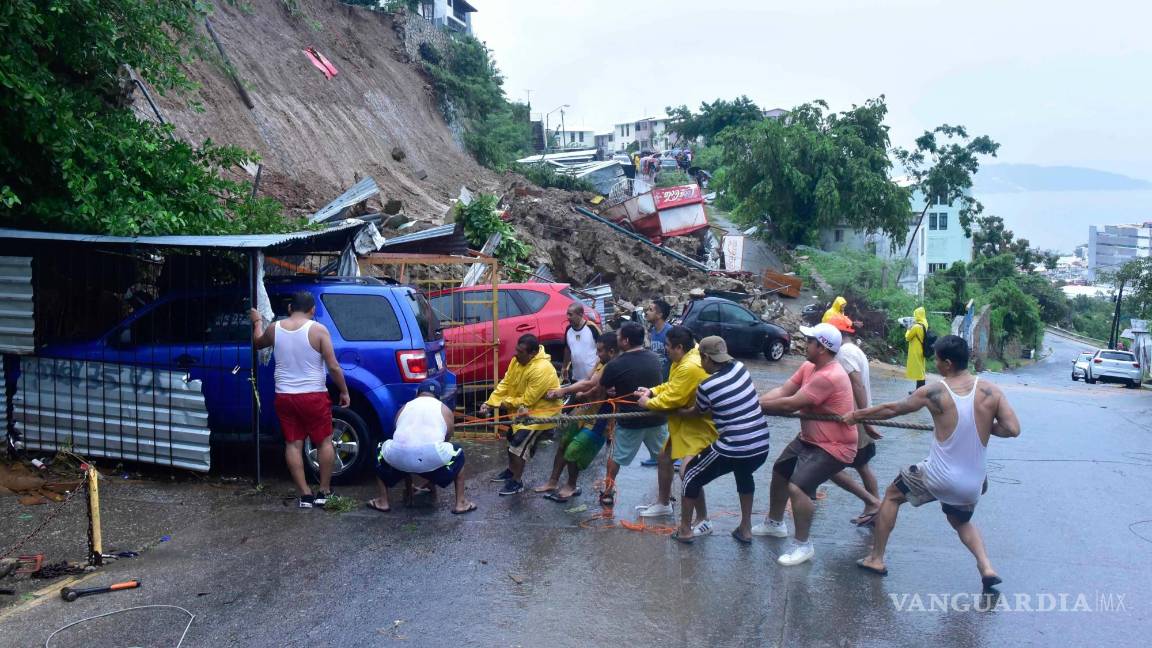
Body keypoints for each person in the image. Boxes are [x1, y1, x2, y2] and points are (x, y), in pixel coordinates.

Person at [845, 335, 1020, 591]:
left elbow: (893, 409)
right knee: (960, 521)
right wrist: (985, 426)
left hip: (939, 476)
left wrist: (856, 415)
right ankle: (986, 567)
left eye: (936, 359)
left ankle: (876, 558)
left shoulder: (935, 391)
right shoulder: (991, 391)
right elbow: (1012, 429)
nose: (935, 363)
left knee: (893, 496)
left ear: (947, 363)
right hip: (972, 483)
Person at [754, 323, 857, 566]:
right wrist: (755, 401)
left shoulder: (830, 376)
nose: (805, 343)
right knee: (781, 471)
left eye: (809, 340)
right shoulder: (809, 366)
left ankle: (803, 544)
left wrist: (752, 406)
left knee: (798, 488)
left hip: (835, 445)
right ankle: (775, 523)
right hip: (810, 438)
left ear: (821, 348)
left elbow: (791, 404)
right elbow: (783, 390)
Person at [250, 292, 350, 509]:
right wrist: (344, 391)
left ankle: (305, 495)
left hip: (285, 396)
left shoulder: (274, 328)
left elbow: (257, 343)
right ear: (312, 310)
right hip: (313, 395)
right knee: (324, 441)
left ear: (289, 309)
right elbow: (333, 366)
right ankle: (323, 492)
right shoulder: (318, 330)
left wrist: (257, 321)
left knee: (293, 444)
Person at [670, 337, 771, 544]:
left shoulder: (707, 385)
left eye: (702, 359)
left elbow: (698, 412)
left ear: (706, 357)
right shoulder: (741, 369)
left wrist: (677, 411)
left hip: (734, 446)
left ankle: (685, 530)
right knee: (744, 474)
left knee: (689, 475)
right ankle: (745, 528)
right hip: (761, 444)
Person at [636, 326, 718, 523]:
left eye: (667, 346)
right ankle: (663, 504)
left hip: (700, 425)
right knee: (664, 458)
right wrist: (653, 391)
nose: (665, 349)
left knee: (688, 472)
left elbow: (674, 398)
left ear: (679, 347)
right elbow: (674, 385)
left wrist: (648, 403)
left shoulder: (690, 366)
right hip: (685, 421)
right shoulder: (686, 356)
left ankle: (703, 519)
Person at [367, 380, 475, 515]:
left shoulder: (404, 407)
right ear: (438, 396)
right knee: (457, 451)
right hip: (430, 456)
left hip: (399, 459)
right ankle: (461, 503)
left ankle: (383, 501)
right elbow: (445, 439)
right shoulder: (444, 409)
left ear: (418, 393)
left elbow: (400, 436)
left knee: (381, 448)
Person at [534, 332, 620, 501]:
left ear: (611, 352)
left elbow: (591, 385)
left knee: (573, 450)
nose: (597, 354)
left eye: (601, 351)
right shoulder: (600, 362)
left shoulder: (615, 366)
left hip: (601, 418)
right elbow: (588, 380)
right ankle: (553, 481)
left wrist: (564, 391)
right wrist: (581, 393)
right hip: (585, 410)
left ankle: (571, 485)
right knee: (564, 443)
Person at [480, 334, 561, 496]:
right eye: (516, 350)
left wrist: (501, 403)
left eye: (520, 352)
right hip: (522, 411)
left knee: (518, 445)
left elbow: (528, 399)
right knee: (510, 438)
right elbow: (506, 383)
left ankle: (517, 481)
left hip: (541, 414)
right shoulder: (517, 360)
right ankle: (511, 471)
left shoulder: (542, 369)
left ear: (532, 354)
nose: (516, 354)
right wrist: (490, 402)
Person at [597, 322, 668, 507]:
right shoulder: (654, 358)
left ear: (626, 341)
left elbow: (602, 387)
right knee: (665, 459)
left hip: (630, 421)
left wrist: (613, 391)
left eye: (619, 337)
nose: (617, 339)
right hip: (657, 417)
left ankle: (608, 491)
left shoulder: (615, 364)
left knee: (616, 457)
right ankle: (666, 496)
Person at [826, 314, 883, 526]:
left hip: (856, 417)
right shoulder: (854, 350)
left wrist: (864, 417)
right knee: (862, 465)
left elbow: (857, 384)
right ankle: (874, 506)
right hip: (859, 415)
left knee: (829, 464)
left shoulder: (843, 353)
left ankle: (873, 504)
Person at [642, 298, 673, 466]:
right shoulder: (653, 330)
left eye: (651, 309)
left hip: (669, 383)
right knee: (658, 420)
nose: (647, 312)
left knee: (667, 421)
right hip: (658, 382)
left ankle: (672, 456)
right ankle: (658, 455)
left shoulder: (670, 332)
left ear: (660, 314)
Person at [562, 303, 601, 383]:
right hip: (577, 377)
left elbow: (604, 347)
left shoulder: (591, 327)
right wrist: (564, 367)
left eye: (570, 315)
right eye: (567, 314)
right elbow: (568, 349)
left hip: (593, 376)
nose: (568, 317)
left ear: (580, 314)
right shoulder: (568, 329)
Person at [905, 307, 929, 390]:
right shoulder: (925, 323)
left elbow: (908, 337)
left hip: (915, 349)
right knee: (921, 369)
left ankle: (919, 390)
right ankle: (919, 389)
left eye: (915, 314)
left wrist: (908, 329)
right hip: (922, 348)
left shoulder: (916, 327)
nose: (914, 316)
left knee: (919, 371)